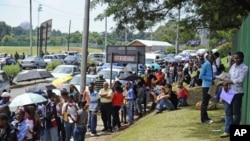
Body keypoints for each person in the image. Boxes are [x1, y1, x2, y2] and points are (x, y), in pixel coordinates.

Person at [220, 51, 248, 138]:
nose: (236, 60)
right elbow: (229, 76)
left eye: (238, 58)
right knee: (228, 112)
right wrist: (224, 83)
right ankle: (227, 131)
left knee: (236, 113)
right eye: (235, 58)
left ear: (242, 58)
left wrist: (228, 82)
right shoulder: (233, 66)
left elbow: (240, 80)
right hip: (228, 91)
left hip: (237, 92)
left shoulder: (245, 68)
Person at [199, 54, 214, 124]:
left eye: (213, 58)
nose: (212, 59)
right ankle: (203, 119)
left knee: (206, 102)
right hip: (206, 86)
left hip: (209, 85)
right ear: (207, 58)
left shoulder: (210, 64)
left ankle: (206, 117)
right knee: (204, 102)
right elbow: (201, 76)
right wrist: (210, 79)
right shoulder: (205, 65)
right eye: (211, 58)